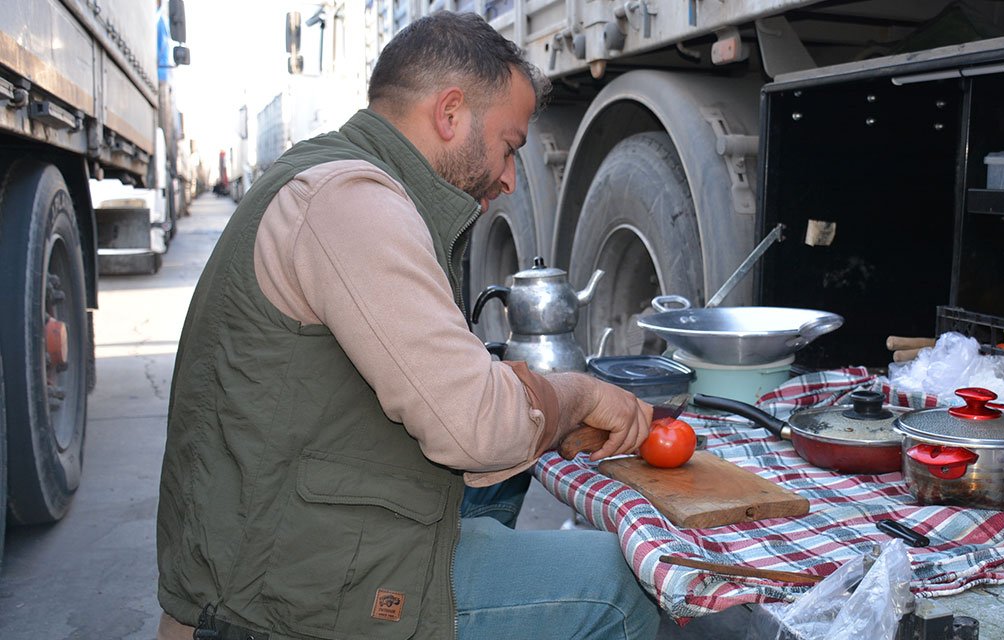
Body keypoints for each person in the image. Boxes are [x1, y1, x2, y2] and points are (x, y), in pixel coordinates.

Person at [155, 12, 660, 640]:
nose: (508, 178)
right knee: (620, 584)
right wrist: (578, 394)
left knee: (505, 477)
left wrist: (538, 418)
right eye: (509, 146)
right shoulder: (351, 202)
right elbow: (476, 426)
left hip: (273, 534)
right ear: (450, 114)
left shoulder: (335, 173)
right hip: (279, 596)